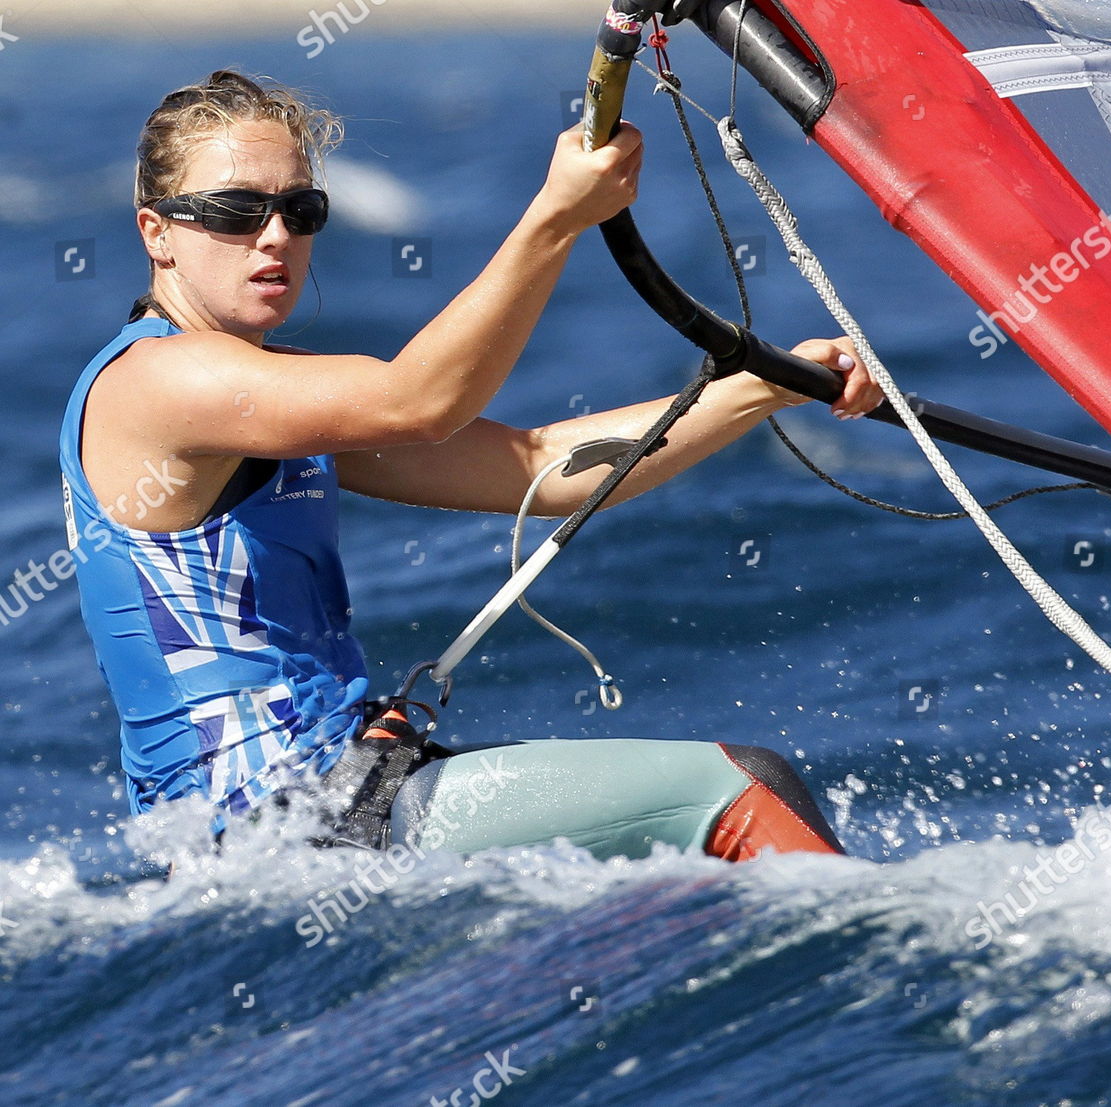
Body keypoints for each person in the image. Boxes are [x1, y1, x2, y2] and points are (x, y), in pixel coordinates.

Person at [61, 71, 878, 861]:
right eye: (236, 211)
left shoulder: (259, 397)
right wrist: (556, 218)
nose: (274, 235)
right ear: (156, 231)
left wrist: (764, 387)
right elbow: (420, 400)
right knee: (750, 789)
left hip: (323, 810)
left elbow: (541, 467)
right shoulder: (161, 382)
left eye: (299, 209)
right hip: (282, 827)